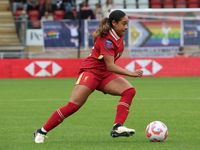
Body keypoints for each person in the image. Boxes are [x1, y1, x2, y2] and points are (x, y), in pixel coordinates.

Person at [33, 9, 143, 143]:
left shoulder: (118, 35)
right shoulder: (108, 39)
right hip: (90, 72)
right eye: (124, 23)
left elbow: (101, 53)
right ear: (114, 23)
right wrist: (131, 73)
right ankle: (41, 131)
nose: (126, 27)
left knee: (129, 91)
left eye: (127, 23)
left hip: (104, 74)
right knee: (73, 105)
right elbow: (111, 65)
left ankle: (117, 127)